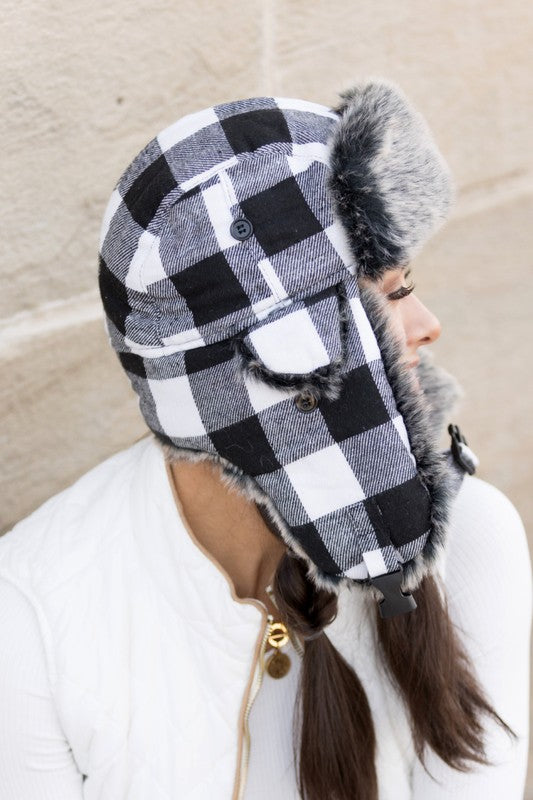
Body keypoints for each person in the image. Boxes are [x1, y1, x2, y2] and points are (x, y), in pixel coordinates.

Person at [0, 79, 530, 800]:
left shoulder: (469, 539)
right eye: (390, 295)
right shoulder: (31, 606)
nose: (427, 324)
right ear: (287, 362)